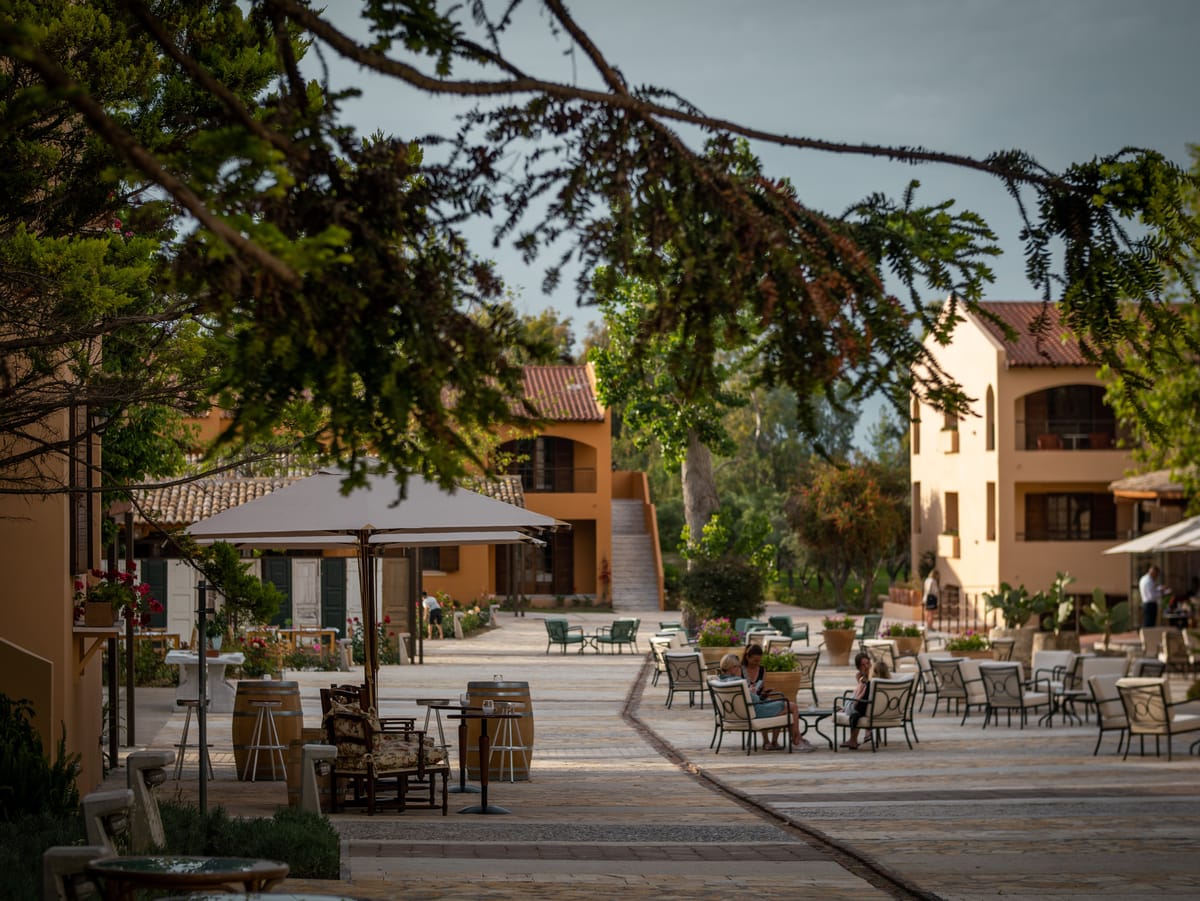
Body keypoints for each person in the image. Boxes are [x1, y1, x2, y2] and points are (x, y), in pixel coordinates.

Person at [717, 652, 814, 753]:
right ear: (733, 668)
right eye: (738, 667)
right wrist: (753, 693)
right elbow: (755, 700)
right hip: (755, 712)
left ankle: (782, 741)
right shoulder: (739, 682)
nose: (740, 669)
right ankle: (797, 741)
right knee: (792, 706)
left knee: (783, 709)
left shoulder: (720, 681)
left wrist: (751, 693)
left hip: (736, 715)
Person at [840, 652, 890, 750]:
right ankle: (865, 734)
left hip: (873, 711)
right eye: (863, 665)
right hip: (885, 710)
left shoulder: (872, 683)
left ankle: (854, 740)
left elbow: (860, 703)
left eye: (867, 663)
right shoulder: (889, 682)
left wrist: (860, 685)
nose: (866, 667)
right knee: (859, 709)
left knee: (856, 713)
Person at [1138, 563, 1164, 629]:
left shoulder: (1144, 579)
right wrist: (1161, 593)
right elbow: (1151, 595)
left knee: (1148, 622)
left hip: (1146, 604)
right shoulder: (1149, 581)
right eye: (1156, 574)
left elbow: (1152, 591)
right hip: (1150, 605)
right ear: (1154, 572)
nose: (1156, 576)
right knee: (1149, 624)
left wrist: (1159, 589)